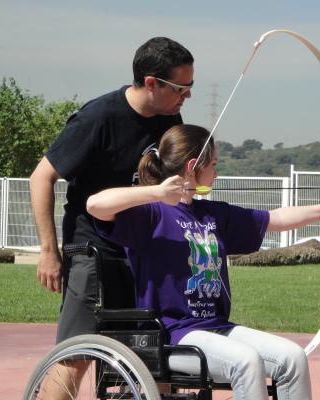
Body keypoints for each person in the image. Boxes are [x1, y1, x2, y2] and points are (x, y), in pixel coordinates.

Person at [86, 124, 320, 400]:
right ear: (194, 166)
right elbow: (95, 205)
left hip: (216, 327)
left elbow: (276, 219)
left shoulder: (213, 214)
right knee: (245, 361)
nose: (217, 173)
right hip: (172, 335)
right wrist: (158, 192)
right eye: (214, 164)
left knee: (292, 358)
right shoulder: (151, 215)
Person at [29, 36, 194, 345]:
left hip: (140, 251)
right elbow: (40, 177)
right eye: (180, 88)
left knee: (141, 357)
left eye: (190, 86)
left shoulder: (170, 118)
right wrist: (49, 252)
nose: (188, 95)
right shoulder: (98, 117)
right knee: (77, 353)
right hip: (94, 250)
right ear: (150, 83)